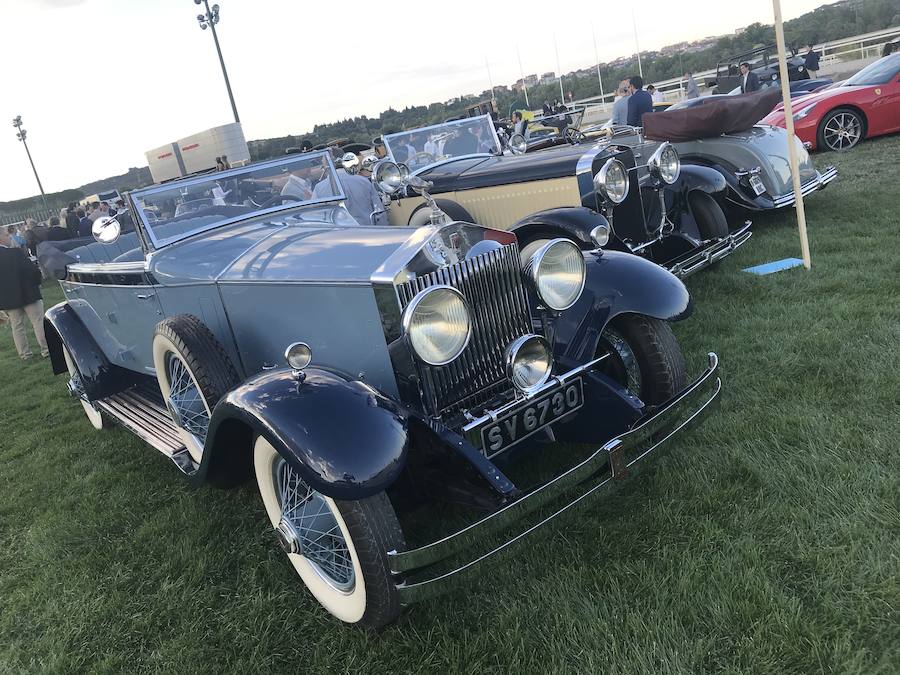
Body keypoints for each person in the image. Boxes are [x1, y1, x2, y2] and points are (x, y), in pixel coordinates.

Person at [0, 226, 48, 359]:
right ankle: (46, 349)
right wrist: (37, 281)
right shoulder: (15, 253)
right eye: (6, 235)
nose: (9, 237)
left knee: (17, 327)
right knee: (38, 322)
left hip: (9, 299)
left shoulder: (13, 252)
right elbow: (31, 270)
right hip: (28, 293)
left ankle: (25, 354)